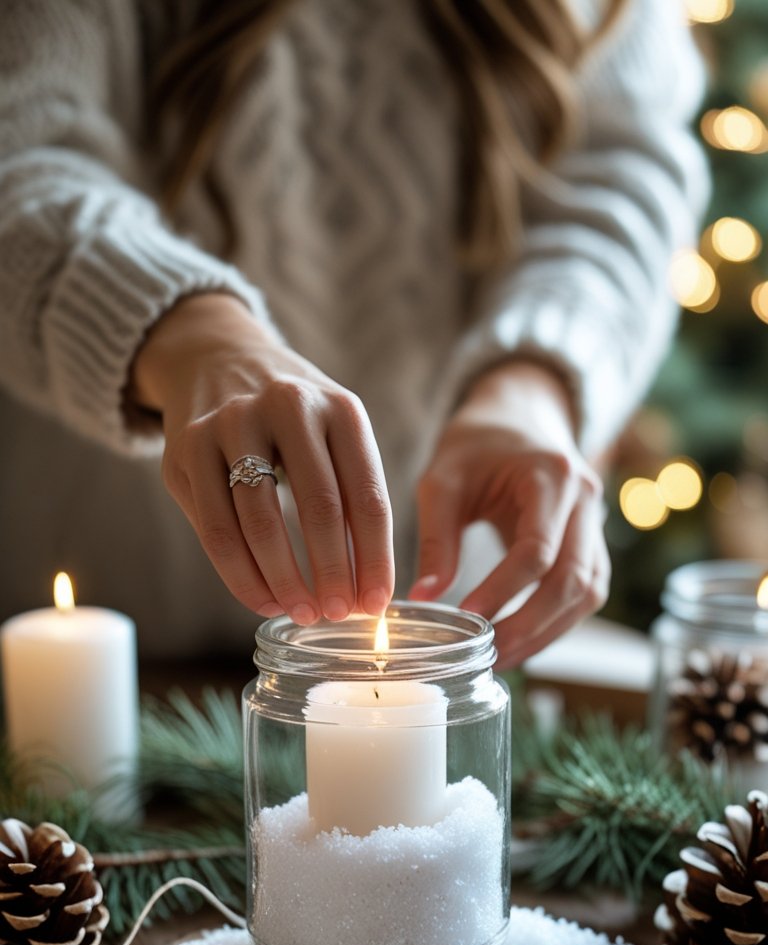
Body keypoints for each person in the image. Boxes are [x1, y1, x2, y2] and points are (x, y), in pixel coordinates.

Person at [0, 0, 707, 665]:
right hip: (106, 626)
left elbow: (621, 169)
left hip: (448, 641)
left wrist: (531, 383)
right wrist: (197, 340)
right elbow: (21, 146)